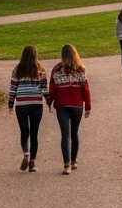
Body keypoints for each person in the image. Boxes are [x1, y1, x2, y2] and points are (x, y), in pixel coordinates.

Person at [46, 44, 90, 175]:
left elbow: (52, 88)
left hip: (62, 105)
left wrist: (50, 101)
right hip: (77, 105)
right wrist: (87, 106)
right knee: (74, 133)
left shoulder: (57, 69)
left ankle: (66, 164)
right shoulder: (80, 69)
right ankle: (73, 160)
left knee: (65, 135)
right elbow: (85, 89)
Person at [8, 45, 48, 173]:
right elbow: (44, 88)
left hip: (22, 104)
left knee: (24, 132)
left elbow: (13, 88)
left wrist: (10, 104)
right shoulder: (40, 69)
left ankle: (26, 152)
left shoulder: (18, 69)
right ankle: (32, 163)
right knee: (34, 134)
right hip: (36, 103)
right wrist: (48, 101)